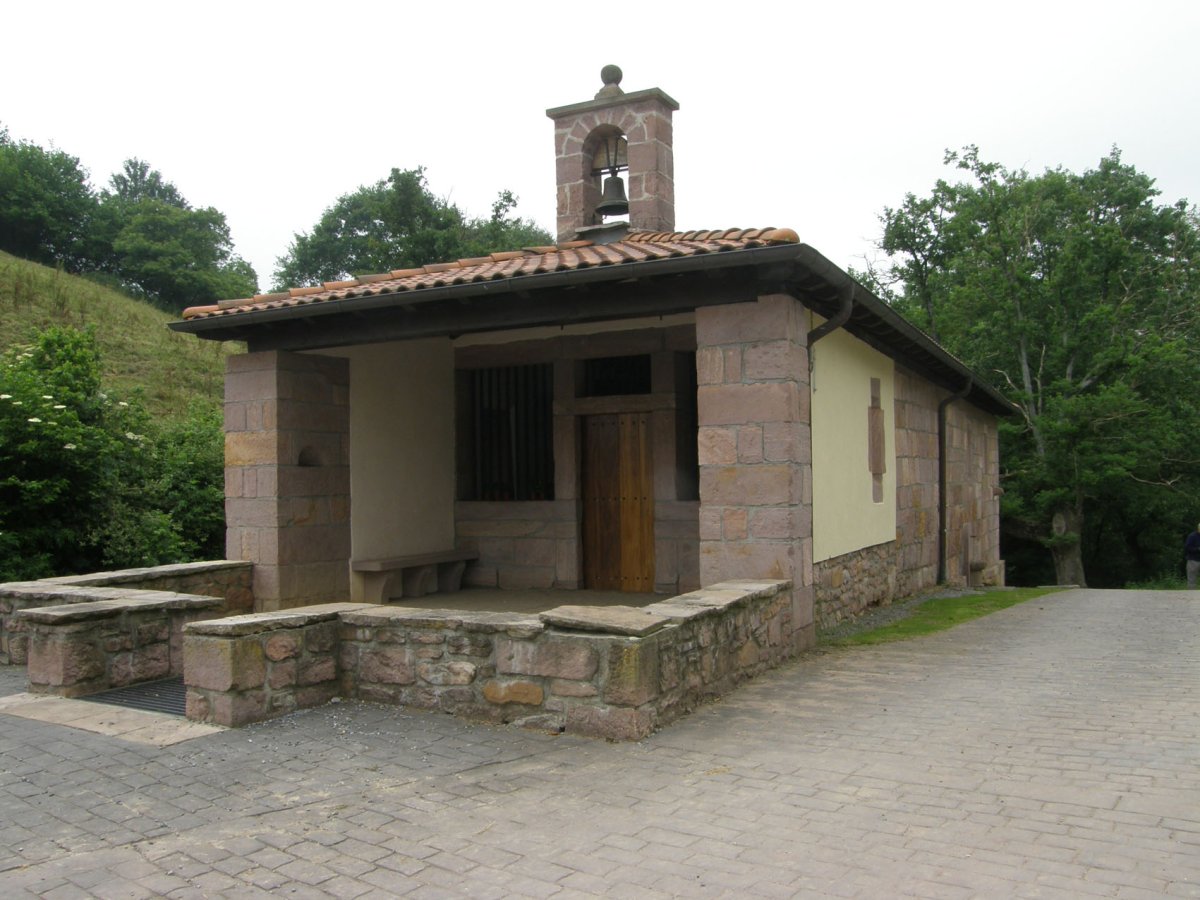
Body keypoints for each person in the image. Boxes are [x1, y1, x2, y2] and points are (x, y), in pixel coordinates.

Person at [1186, 524, 1200, 589]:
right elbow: (1187, 547)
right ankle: (1191, 595)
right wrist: (1197, 549)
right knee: (1192, 579)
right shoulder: (1192, 536)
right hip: (1193, 560)